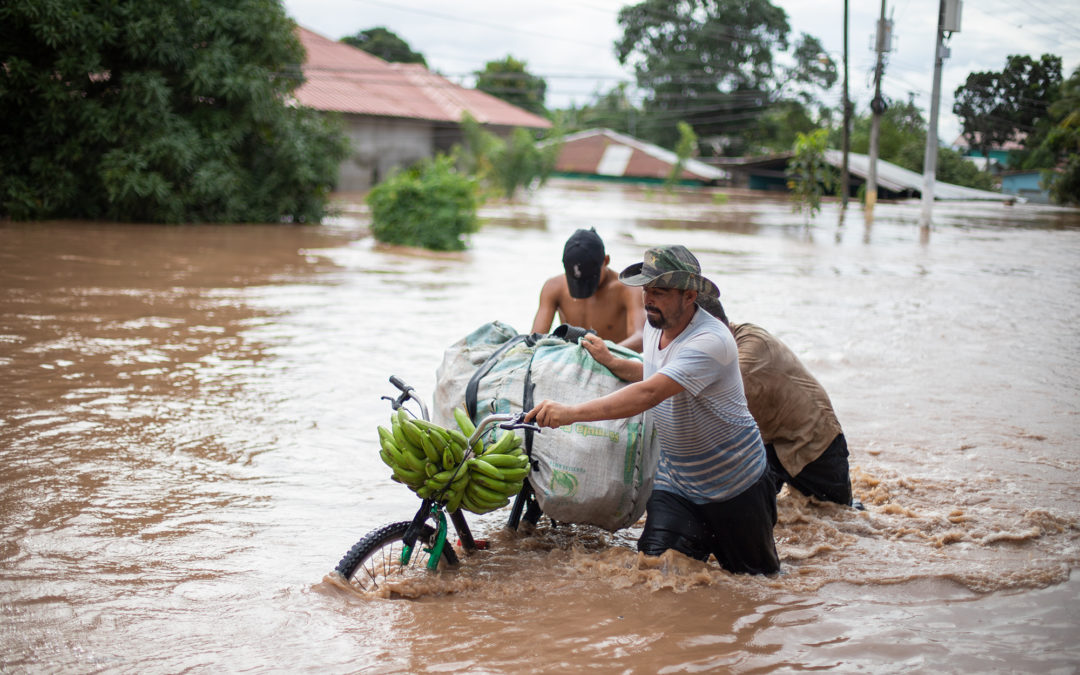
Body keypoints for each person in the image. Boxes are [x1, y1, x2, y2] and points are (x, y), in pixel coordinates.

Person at [526, 245, 780, 575]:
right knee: (653, 573)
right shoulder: (655, 324)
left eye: (659, 291)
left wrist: (570, 413)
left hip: (735, 485)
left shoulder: (710, 341)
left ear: (690, 296)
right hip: (677, 484)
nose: (648, 299)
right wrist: (613, 361)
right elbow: (653, 372)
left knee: (757, 585)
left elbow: (649, 393)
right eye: (646, 290)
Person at [728, 321, 855, 507]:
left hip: (813, 443)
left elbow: (710, 401)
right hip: (770, 444)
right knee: (775, 517)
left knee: (841, 515)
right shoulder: (736, 336)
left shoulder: (748, 355)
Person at [531, 228, 645, 350]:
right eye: (576, 281)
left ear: (606, 261)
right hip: (570, 360)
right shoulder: (553, 287)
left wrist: (604, 355)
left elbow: (641, 338)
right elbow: (535, 339)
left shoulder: (628, 289)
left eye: (589, 279)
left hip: (613, 359)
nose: (582, 285)